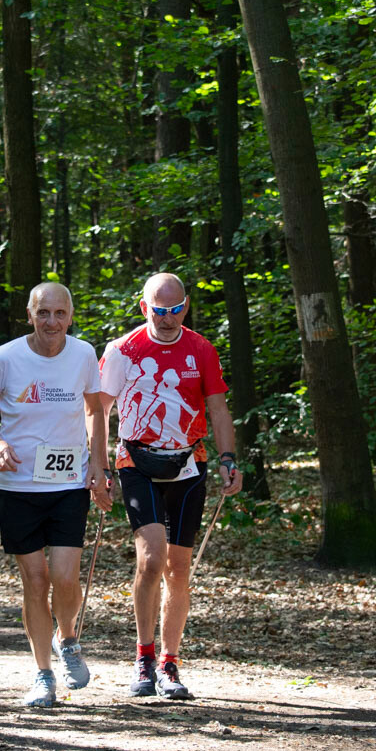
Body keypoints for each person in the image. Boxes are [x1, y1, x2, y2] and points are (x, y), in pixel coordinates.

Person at [0, 282, 111, 707]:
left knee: (64, 577)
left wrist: (99, 465)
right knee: (36, 579)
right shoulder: (6, 357)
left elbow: (94, 409)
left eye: (60, 313)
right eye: (43, 313)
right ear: (30, 315)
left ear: (71, 316)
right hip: (18, 487)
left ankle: (69, 639)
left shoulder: (83, 354)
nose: (52, 322)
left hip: (67, 485)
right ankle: (43, 674)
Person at [98, 272, 243, 700]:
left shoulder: (201, 349)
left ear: (186, 306)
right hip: (136, 461)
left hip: (189, 462)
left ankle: (169, 663)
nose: (168, 318)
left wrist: (228, 459)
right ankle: (143, 658)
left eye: (176, 309)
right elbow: (99, 411)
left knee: (179, 569)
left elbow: (218, 409)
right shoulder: (123, 351)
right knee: (151, 559)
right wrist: (98, 465)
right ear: (145, 307)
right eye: (159, 310)